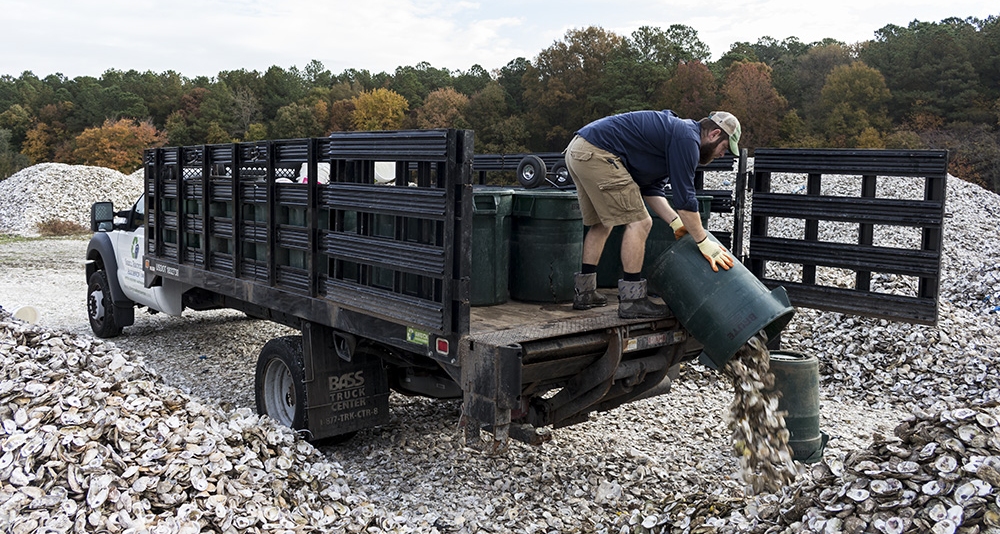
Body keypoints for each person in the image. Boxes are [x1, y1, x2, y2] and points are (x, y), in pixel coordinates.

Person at [565, 110, 740, 319]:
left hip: (579, 150)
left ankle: (584, 293)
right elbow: (685, 200)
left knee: (603, 223)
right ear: (714, 134)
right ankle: (632, 301)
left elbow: (652, 190)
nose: (722, 154)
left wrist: (675, 223)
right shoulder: (687, 139)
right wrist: (703, 242)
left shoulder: (674, 136)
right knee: (641, 222)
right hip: (599, 153)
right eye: (725, 147)